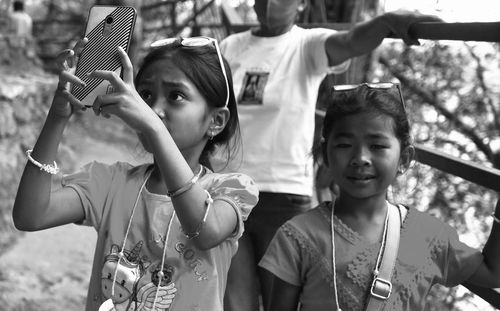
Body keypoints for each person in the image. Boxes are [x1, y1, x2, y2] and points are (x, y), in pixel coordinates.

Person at [219, 0, 442, 309]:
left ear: (300, 4)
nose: (270, 3)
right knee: (235, 302)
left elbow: (352, 41)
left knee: (280, 302)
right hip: (229, 192)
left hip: (283, 194)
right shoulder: (231, 46)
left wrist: (388, 21)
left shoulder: (306, 45)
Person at [12, 35, 259, 311]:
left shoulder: (231, 189)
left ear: (215, 121)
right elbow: (30, 216)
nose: (153, 109)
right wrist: (58, 116)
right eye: (145, 95)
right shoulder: (110, 182)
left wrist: (154, 126)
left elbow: (204, 229)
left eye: (175, 96)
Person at [258, 82, 500, 310]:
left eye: (377, 146)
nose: (360, 158)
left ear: (404, 159)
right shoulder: (297, 236)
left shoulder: (429, 235)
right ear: (325, 154)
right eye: (344, 145)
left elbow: (492, 273)